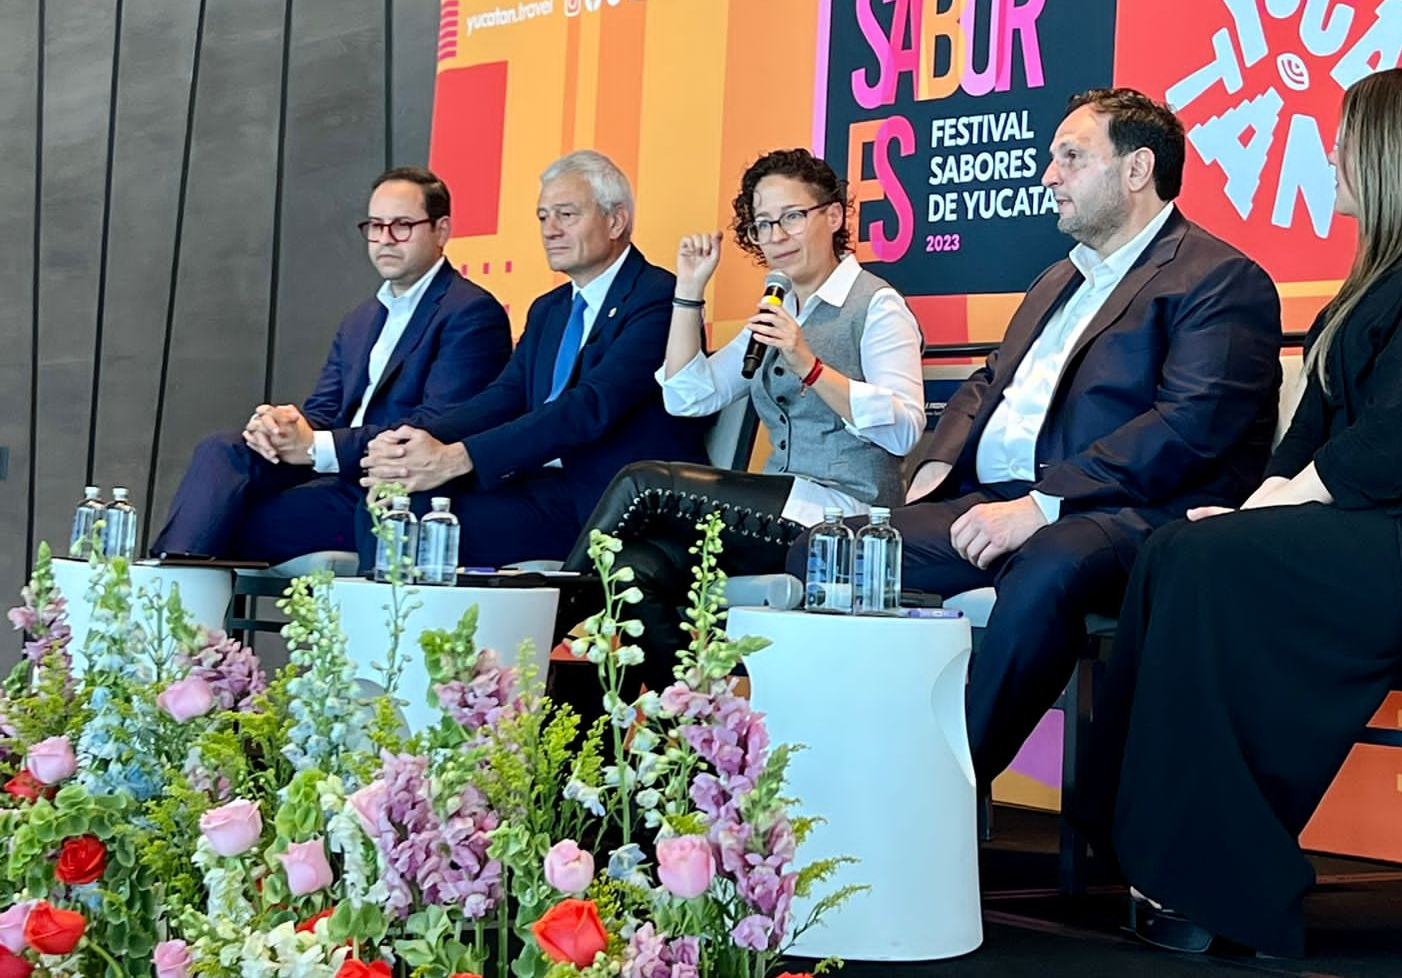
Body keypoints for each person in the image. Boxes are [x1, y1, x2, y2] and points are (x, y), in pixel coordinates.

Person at [1096, 67, 1402, 960]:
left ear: (1400, 154)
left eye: (1348, 139)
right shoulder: (1376, 284)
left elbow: (1396, 439)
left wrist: (1262, 520)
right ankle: (1164, 855)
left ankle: (1219, 879)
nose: (1330, 153)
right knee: (1180, 549)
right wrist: (1243, 513)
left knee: (1217, 564)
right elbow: (1305, 448)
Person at [789, 88, 1283, 788]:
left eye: (1072, 158)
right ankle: (841, 778)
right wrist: (934, 466)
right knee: (831, 549)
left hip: (1126, 514)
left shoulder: (1218, 279)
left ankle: (945, 789)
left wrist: (1043, 504)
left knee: (1049, 563)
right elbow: (987, 385)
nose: (1048, 176)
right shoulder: (1058, 279)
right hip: (1000, 502)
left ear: (1137, 169)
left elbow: (1189, 427)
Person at [569, 147, 926, 693]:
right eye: (762, 224)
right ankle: (696, 736)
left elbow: (903, 427)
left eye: (791, 217)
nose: (776, 234)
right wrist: (688, 291)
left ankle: (551, 609)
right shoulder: (777, 309)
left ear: (833, 216)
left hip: (846, 515)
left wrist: (809, 367)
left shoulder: (877, 306)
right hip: (782, 500)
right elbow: (689, 397)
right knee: (636, 567)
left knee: (644, 484)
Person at [356, 150, 707, 567]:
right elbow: (503, 396)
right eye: (543, 217)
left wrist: (458, 457)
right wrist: (412, 441)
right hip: (538, 485)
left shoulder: (658, 297)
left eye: (566, 215)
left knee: (414, 519)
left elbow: (588, 408)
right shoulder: (549, 308)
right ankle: (389, 633)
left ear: (615, 221)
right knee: (390, 506)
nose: (550, 230)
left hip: (609, 503)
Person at [150, 167, 511, 562]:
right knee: (222, 449)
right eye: (375, 226)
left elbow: (434, 424)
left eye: (402, 226)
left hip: (385, 490)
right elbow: (324, 411)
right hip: (326, 474)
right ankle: (172, 588)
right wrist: (281, 428)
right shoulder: (361, 318)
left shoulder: (472, 313)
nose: (385, 240)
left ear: (441, 231)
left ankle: (164, 600)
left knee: (219, 516)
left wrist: (316, 447)